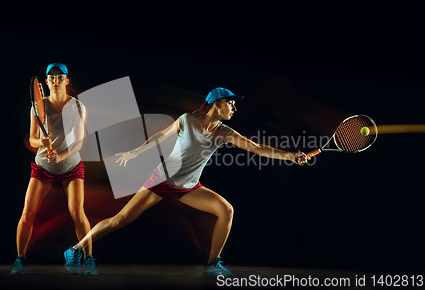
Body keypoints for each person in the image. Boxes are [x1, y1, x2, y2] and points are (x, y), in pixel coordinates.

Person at [64, 87, 308, 277]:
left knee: (226, 210)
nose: (234, 107)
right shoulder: (187, 120)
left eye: (235, 103)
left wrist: (290, 155)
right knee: (120, 220)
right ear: (216, 103)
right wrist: (135, 152)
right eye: (230, 102)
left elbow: (257, 148)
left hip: (189, 186)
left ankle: (213, 264)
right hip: (162, 179)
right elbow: (161, 135)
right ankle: (75, 249)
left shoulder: (225, 133)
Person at [11, 63, 96, 275]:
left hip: (72, 166)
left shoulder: (77, 107)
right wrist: (42, 142)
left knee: (78, 212)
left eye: (60, 77)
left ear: (67, 81)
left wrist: (61, 155)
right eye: (51, 77)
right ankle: (20, 260)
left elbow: (78, 143)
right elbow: (32, 139)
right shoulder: (38, 107)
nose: (55, 80)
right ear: (46, 82)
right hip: (43, 167)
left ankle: (89, 260)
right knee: (27, 213)